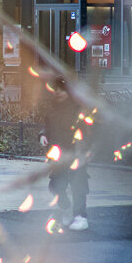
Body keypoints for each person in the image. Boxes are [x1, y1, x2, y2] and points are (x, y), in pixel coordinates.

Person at [40, 75, 92, 231]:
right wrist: (43, 135)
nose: (58, 92)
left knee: (78, 186)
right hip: (57, 156)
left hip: (76, 154)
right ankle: (66, 209)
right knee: (56, 186)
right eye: (56, 89)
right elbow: (47, 127)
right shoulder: (52, 110)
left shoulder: (78, 110)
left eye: (62, 89)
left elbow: (87, 131)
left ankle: (80, 216)